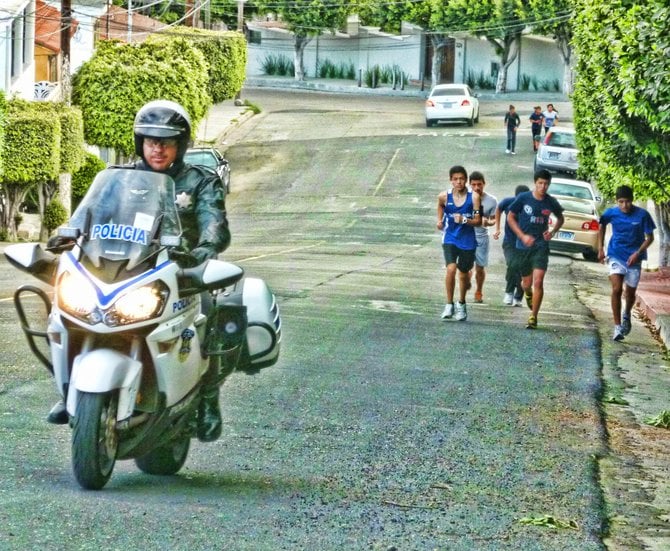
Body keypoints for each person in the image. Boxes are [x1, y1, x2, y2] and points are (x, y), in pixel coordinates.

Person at [47, 100, 232, 443]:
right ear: (139, 143)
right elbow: (91, 214)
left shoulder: (200, 181)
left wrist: (205, 249)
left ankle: (208, 399)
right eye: (150, 141)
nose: (157, 149)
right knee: (67, 309)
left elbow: (214, 223)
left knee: (212, 310)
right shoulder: (120, 179)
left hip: (180, 269)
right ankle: (71, 391)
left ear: (181, 144)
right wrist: (66, 232)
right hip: (123, 268)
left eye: (166, 142)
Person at [507, 170, 564, 329]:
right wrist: (521, 235)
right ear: (535, 182)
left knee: (538, 281)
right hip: (523, 246)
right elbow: (510, 216)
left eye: (546, 184)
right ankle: (528, 293)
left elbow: (560, 218)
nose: (543, 187)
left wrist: (552, 232)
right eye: (540, 183)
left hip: (541, 246)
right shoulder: (524, 198)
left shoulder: (551, 202)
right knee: (527, 283)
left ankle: (533, 317)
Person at [598, 185, 656, 341]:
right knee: (616, 289)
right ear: (617, 202)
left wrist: (637, 253)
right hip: (616, 254)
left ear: (632, 200)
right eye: (621, 202)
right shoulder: (611, 213)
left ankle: (627, 313)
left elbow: (650, 238)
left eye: (628, 202)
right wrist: (600, 248)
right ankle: (617, 327)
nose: (625, 206)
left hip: (634, 259)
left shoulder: (642, 215)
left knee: (630, 294)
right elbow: (601, 224)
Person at [437, 165, 482, 321]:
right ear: (451, 181)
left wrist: (463, 219)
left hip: (468, 241)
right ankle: (449, 304)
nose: (459, 182)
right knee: (451, 269)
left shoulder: (474, 197)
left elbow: (478, 221)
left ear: (466, 181)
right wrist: (439, 220)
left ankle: (461, 304)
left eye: (462, 179)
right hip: (450, 238)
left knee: (463, 275)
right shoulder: (444, 196)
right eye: (455, 179)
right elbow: (440, 206)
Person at [493, 184, 530, 307]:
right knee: (512, 265)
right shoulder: (508, 202)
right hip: (509, 242)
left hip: (524, 245)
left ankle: (518, 297)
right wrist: (497, 227)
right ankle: (509, 292)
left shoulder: (531, 207)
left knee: (522, 270)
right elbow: (498, 209)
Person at [469, 171, 497, 303]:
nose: (476, 188)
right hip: (466, 235)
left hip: (481, 236)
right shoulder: (464, 198)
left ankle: (479, 290)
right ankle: (465, 284)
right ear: (469, 185)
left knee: (480, 268)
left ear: (484, 184)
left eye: (479, 184)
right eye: (473, 185)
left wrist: (487, 222)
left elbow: (494, 220)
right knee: (465, 266)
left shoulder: (491, 201)